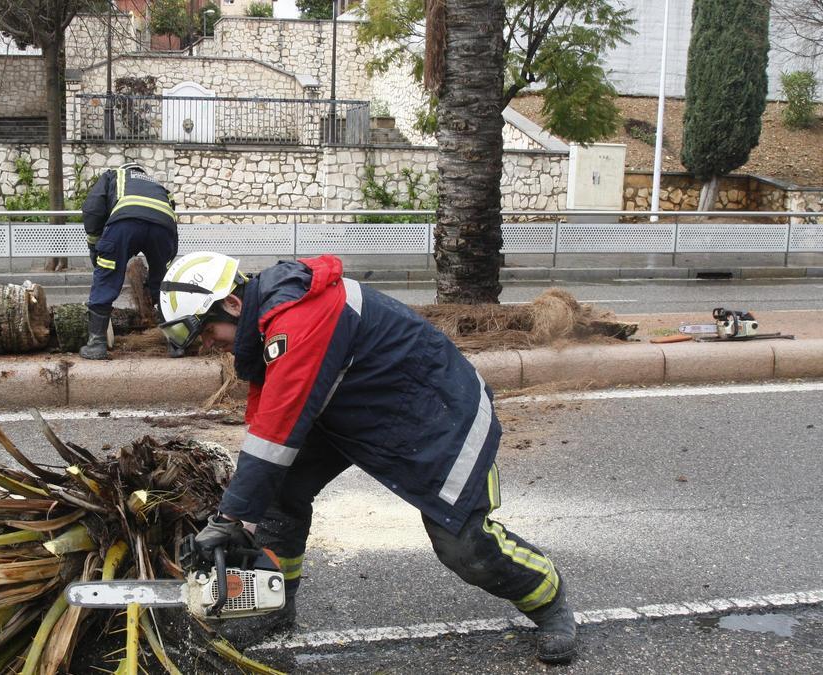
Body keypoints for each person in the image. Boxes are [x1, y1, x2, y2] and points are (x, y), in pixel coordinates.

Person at [159, 252, 578, 665]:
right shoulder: (272, 316)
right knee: (279, 491)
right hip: (357, 409)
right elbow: (267, 424)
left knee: (463, 545)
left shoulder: (299, 321)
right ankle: (275, 605)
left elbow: (276, 429)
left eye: (208, 331)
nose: (207, 344)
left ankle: (548, 602)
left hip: (438, 415)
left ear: (232, 303)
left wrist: (229, 520)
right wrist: (241, 515)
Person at [78, 162, 178, 360]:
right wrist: (161, 268)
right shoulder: (158, 186)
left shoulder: (113, 176)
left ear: (125, 169)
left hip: (126, 221)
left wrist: (96, 247)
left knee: (107, 275)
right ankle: (176, 343)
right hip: (163, 226)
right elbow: (172, 221)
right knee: (165, 283)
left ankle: (97, 344)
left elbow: (93, 208)